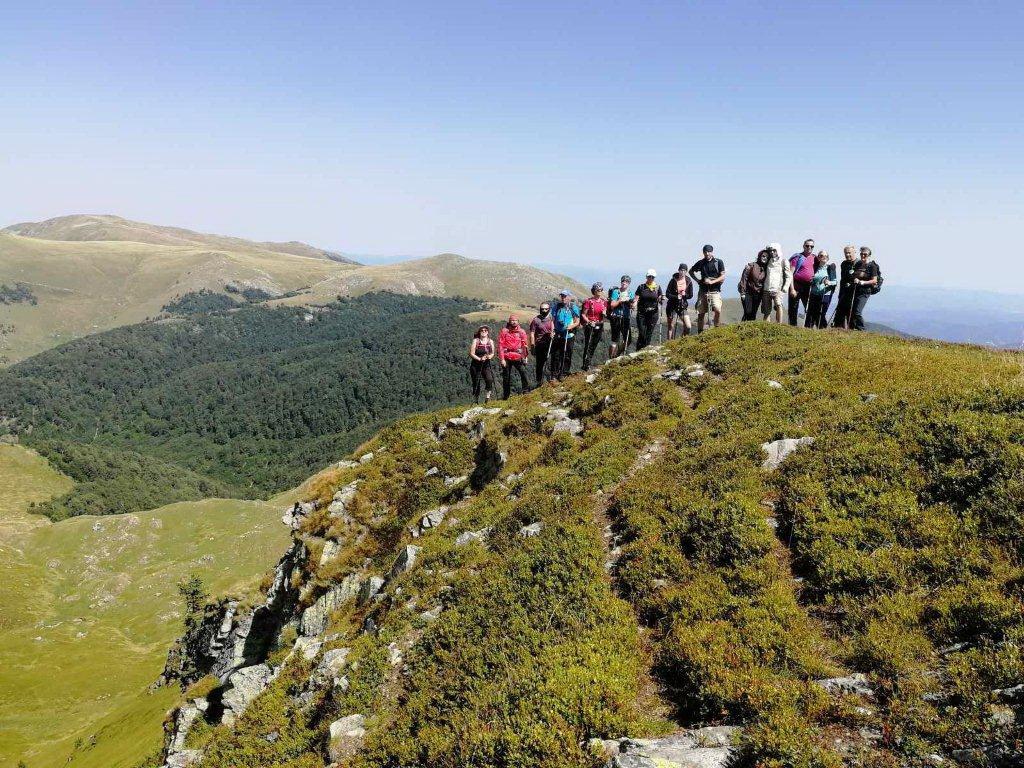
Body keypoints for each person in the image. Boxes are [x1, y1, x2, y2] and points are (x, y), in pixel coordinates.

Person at [689, 244, 725, 331]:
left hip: (715, 290)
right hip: (703, 290)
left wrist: (712, 281)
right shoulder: (701, 263)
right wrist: (697, 280)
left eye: (709, 252)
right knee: (701, 313)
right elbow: (691, 271)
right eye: (705, 252)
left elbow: (723, 276)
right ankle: (700, 332)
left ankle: (716, 329)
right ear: (703, 252)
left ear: (712, 252)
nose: (707, 253)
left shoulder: (718, 262)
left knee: (717, 309)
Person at [848, 247, 881, 330]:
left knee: (857, 312)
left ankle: (861, 329)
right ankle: (852, 328)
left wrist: (862, 282)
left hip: (865, 291)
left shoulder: (872, 266)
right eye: (861, 254)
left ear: (869, 255)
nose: (863, 255)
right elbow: (855, 275)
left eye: (865, 254)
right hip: (856, 289)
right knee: (852, 310)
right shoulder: (858, 264)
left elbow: (874, 280)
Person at [550, 290, 580, 380]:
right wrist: (552, 330)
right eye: (562, 296)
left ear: (569, 297)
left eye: (565, 296)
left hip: (569, 335)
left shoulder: (573, 308)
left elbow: (577, 321)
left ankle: (564, 373)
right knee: (555, 355)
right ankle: (554, 375)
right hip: (558, 334)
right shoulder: (557, 307)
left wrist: (571, 326)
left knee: (567, 354)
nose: (563, 298)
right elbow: (552, 320)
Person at [498, 315, 530, 398]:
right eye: (512, 320)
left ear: (518, 321)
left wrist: (525, 356)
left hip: (518, 356)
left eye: (515, 320)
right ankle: (506, 395)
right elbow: (501, 345)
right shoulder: (504, 331)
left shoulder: (521, 332)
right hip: (507, 356)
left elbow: (524, 345)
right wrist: (502, 359)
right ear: (509, 321)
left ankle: (525, 391)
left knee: (523, 373)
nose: (514, 322)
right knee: (506, 377)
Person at [760, 243, 792, 323]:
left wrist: (785, 287)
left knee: (778, 305)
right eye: (771, 251)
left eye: (774, 250)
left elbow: (789, 276)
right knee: (766, 309)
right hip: (767, 288)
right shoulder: (768, 260)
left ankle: (779, 325)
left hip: (778, 288)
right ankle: (766, 326)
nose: (772, 252)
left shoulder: (784, 261)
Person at [579, 283, 608, 370]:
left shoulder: (604, 302)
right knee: (588, 344)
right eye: (598, 290)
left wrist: (605, 314)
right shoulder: (589, 301)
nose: (600, 291)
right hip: (590, 325)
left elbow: (605, 313)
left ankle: (588, 363)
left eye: (601, 290)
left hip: (599, 324)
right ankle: (585, 365)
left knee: (594, 344)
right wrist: (588, 321)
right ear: (594, 291)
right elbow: (583, 314)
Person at [805, 251, 837, 328]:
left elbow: (835, 282)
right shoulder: (815, 268)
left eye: (826, 256)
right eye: (821, 255)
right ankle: (810, 328)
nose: (824, 257)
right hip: (814, 293)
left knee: (821, 313)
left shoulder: (830, 268)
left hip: (825, 294)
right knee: (812, 312)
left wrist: (829, 282)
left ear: (828, 258)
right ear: (818, 258)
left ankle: (822, 329)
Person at [632, 269, 663, 350]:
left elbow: (659, 298)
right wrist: (634, 304)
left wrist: (661, 299)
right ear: (646, 277)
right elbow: (636, 297)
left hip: (653, 313)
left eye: (652, 277)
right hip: (642, 313)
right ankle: (639, 350)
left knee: (649, 333)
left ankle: (645, 350)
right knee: (642, 332)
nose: (651, 278)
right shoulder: (641, 287)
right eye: (649, 276)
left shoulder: (657, 287)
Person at [788, 238, 816, 325]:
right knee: (793, 308)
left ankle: (808, 327)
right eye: (807, 246)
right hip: (796, 285)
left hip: (809, 286)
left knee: (809, 308)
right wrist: (792, 289)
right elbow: (790, 274)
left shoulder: (815, 258)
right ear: (803, 246)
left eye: (811, 246)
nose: (809, 248)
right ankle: (792, 327)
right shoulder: (797, 257)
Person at [831, 246, 858, 329]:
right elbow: (842, 279)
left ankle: (852, 331)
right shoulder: (844, 264)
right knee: (840, 313)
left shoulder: (859, 263)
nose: (847, 254)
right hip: (844, 292)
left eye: (849, 252)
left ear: (854, 252)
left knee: (851, 314)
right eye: (846, 253)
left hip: (854, 292)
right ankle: (838, 330)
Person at [529, 302, 555, 386]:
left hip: (550, 343)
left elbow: (554, 329)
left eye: (546, 309)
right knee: (540, 363)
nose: (544, 310)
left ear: (549, 309)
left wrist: (553, 333)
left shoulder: (552, 319)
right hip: (539, 344)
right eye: (542, 309)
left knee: (552, 361)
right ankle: (539, 381)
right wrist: (532, 345)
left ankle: (552, 378)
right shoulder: (536, 320)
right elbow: (532, 333)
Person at [738, 250, 768, 321]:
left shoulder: (767, 269)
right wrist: (742, 292)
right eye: (763, 256)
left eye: (767, 257)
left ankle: (750, 330)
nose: (765, 258)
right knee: (747, 312)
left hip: (758, 294)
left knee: (753, 313)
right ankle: (742, 328)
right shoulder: (751, 265)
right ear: (759, 256)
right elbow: (744, 278)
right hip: (748, 292)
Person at [607, 275, 633, 358]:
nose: (624, 283)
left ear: (629, 283)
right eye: (623, 281)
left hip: (625, 317)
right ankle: (611, 358)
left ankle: (617, 354)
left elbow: (632, 306)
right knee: (615, 339)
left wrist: (630, 302)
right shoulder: (616, 292)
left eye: (627, 282)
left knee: (628, 339)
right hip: (616, 317)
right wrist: (620, 300)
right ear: (621, 282)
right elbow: (612, 305)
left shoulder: (630, 293)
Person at [665, 263, 694, 338]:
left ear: (686, 271)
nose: (682, 272)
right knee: (671, 326)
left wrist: (684, 295)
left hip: (682, 306)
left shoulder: (689, 281)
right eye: (681, 270)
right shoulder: (673, 280)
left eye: (684, 270)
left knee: (688, 326)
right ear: (678, 270)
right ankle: (669, 345)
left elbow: (690, 295)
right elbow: (667, 294)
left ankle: (681, 341)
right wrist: (676, 297)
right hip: (671, 306)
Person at [468, 326, 495, 403]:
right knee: (476, 383)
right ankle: (475, 400)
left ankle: (487, 398)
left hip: (486, 365)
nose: (484, 331)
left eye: (485, 330)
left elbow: (492, 353)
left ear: (488, 332)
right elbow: (471, 353)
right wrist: (479, 359)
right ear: (479, 332)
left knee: (489, 380)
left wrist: (489, 356)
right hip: (475, 365)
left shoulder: (490, 341)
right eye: (482, 330)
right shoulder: (476, 341)